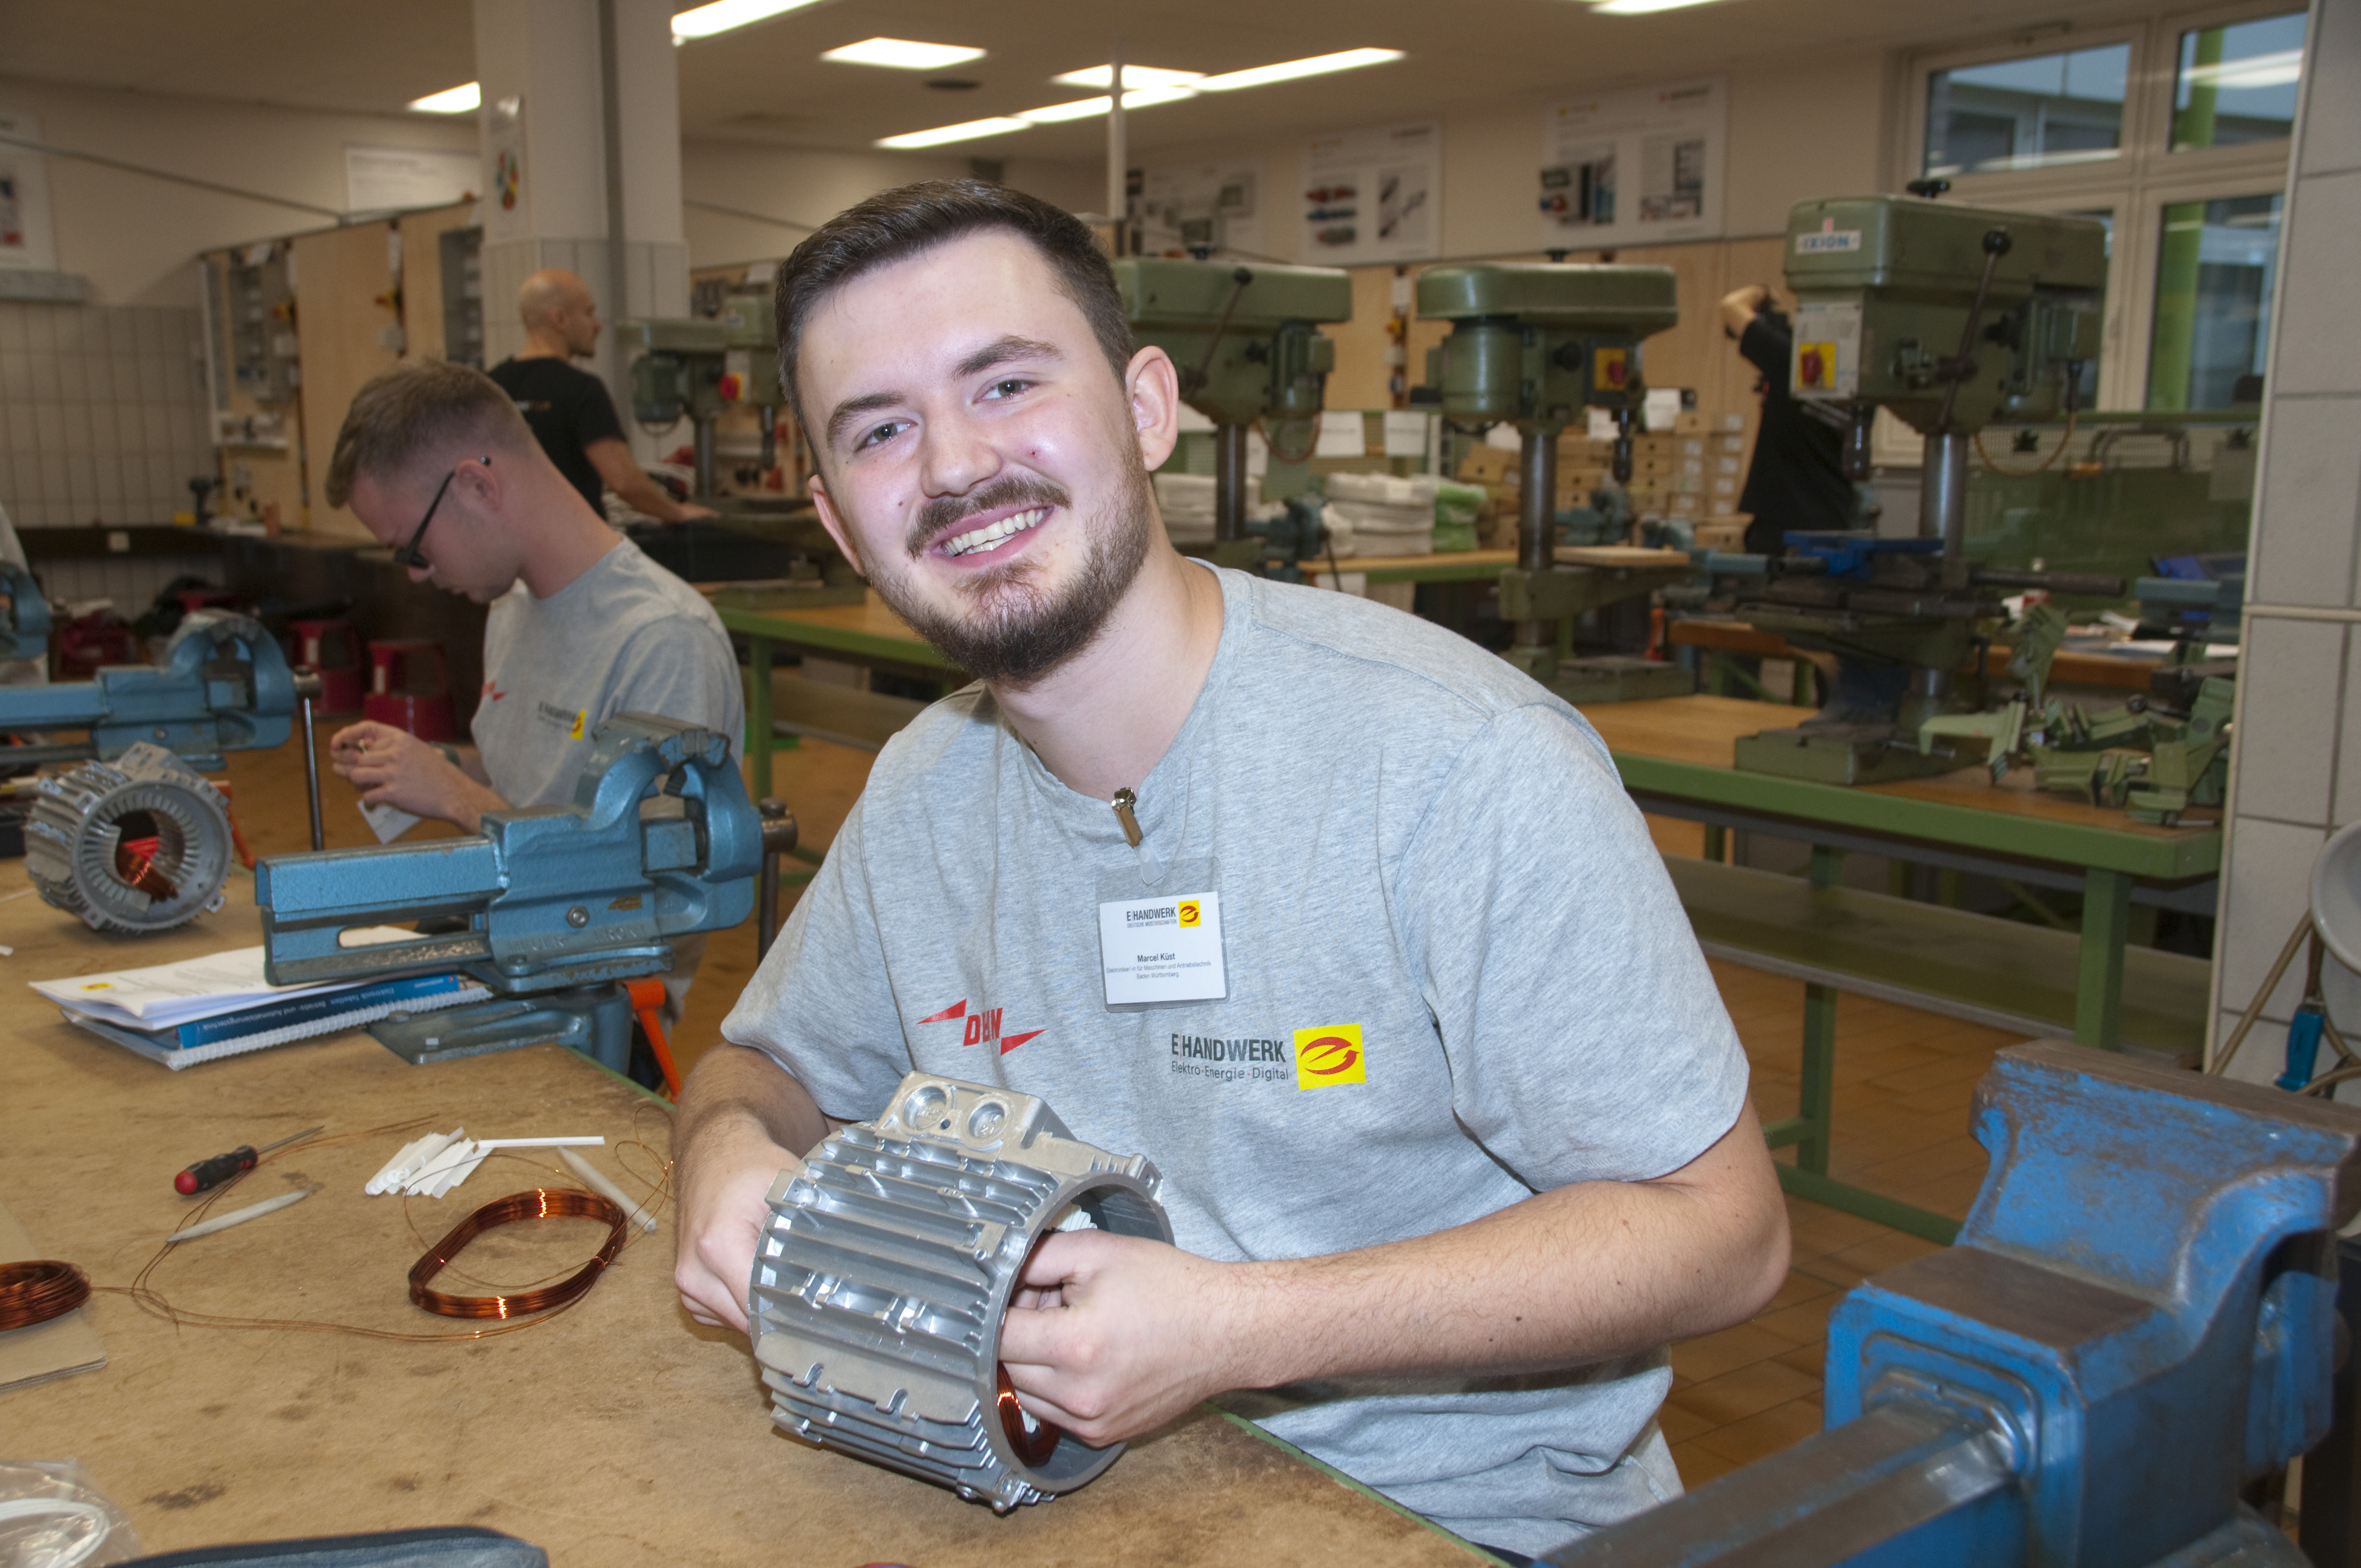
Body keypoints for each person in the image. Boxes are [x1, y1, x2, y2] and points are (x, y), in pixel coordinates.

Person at [672, 181, 1787, 1562]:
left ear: (1146, 408)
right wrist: (723, 1150)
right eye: (881, 430)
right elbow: (759, 1066)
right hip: (1069, 1484)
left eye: (1004, 381)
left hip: (1456, 1519)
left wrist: (1233, 1325)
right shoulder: (921, 791)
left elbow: (1724, 1233)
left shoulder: (1454, 762)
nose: (955, 466)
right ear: (841, 521)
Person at [317, 360, 744, 1037]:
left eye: (415, 551)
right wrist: (428, 764)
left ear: (477, 486)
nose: (422, 576)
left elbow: (640, 891)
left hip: (594, 1004)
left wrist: (457, 797)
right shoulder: (511, 605)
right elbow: (537, 770)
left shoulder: (663, 639)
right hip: (497, 949)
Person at [487, 269, 716, 526]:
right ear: (560, 319)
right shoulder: (581, 389)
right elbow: (625, 482)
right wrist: (678, 512)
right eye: (588, 313)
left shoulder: (490, 385)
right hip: (575, 548)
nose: (597, 325)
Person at [1720, 284, 1857, 557]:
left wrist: (1764, 292)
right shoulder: (1858, 377)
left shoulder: (1795, 362)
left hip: (1784, 529)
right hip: (1835, 522)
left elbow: (1731, 307)